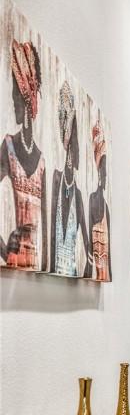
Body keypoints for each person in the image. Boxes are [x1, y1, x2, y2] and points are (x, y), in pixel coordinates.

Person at [0, 39, 47, 271]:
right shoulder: (8, 145)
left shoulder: (42, 161)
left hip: (36, 265)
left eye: (16, 95)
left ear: (26, 98)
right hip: (15, 259)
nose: (13, 100)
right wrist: (2, 248)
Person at [50, 81, 90, 277]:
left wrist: (89, 266)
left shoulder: (79, 195)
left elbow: (87, 245)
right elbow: (50, 233)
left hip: (72, 273)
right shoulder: (56, 180)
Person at [88, 120, 111, 281]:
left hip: (102, 271)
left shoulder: (105, 207)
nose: (104, 176)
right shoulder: (92, 199)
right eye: (101, 171)